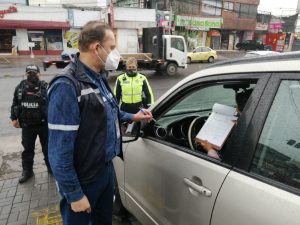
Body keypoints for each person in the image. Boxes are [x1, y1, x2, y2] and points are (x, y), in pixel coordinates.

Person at [47, 21, 152, 225]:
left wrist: (133, 117)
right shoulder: (67, 86)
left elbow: (107, 111)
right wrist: (74, 194)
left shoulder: (99, 77)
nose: (116, 53)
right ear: (97, 48)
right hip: (84, 179)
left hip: (105, 170)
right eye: (112, 48)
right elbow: (58, 151)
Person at [10, 65, 50, 183]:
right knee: (27, 150)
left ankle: (51, 168)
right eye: (29, 73)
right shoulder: (20, 88)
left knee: (48, 148)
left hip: (43, 125)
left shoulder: (45, 87)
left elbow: (54, 104)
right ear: (26, 74)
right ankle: (27, 171)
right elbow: (15, 104)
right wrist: (13, 118)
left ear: (39, 74)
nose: (32, 75)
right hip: (27, 126)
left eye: (34, 73)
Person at [197, 88, 253, 159]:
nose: (235, 109)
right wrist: (238, 126)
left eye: (236, 106)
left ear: (238, 109)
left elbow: (225, 162)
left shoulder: (243, 134)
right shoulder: (251, 124)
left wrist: (209, 149)